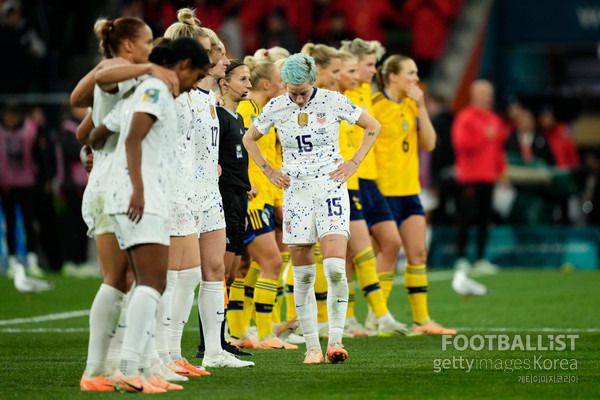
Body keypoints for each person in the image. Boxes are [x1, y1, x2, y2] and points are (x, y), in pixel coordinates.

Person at [243, 53, 382, 364]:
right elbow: (249, 138)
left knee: (334, 268)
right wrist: (269, 170)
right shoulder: (277, 105)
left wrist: (353, 162)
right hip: (296, 193)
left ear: (314, 80)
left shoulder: (333, 101)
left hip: (330, 186)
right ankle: (312, 348)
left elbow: (373, 126)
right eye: (292, 92)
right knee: (303, 276)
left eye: (303, 92)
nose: (298, 98)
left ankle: (334, 341)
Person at [90, 37, 211, 393]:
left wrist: (93, 155)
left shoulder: (145, 90)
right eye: (198, 75)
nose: (195, 84)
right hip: (143, 196)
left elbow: (96, 134)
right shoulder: (156, 89)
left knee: (142, 281)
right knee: (152, 280)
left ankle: (133, 367)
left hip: (131, 192)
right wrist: (139, 188)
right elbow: (132, 138)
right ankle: (130, 368)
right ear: (185, 65)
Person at [71, 16, 181, 392]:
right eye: (147, 41)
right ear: (129, 45)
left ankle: (122, 368)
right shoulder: (123, 69)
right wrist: (150, 67)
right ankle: (107, 370)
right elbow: (96, 82)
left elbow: (83, 127)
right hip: (114, 185)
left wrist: (93, 149)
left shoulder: (131, 77)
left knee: (130, 280)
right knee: (125, 280)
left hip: (108, 178)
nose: (151, 48)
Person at [373, 54, 456, 335]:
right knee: (383, 253)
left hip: (410, 192)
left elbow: (430, 143)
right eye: (410, 73)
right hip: (383, 193)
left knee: (418, 253)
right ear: (393, 76)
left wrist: (421, 106)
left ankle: (422, 321)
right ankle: (377, 319)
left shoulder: (412, 104)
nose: (415, 79)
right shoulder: (374, 107)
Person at [336, 50, 410, 337]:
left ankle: (375, 315)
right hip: (348, 179)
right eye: (365, 65)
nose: (370, 70)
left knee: (390, 242)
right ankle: (352, 316)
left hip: (370, 179)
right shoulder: (333, 97)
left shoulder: (367, 91)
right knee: (351, 255)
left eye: (370, 65)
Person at [230, 55, 298, 349]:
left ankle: (240, 333)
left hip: (266, 198)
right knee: (270, 262)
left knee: (246, 267)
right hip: (252, 200)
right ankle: (265, 332)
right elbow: (239, 154)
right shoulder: (245, 111)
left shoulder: (261, 111)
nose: (284, 86)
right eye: (281, 81)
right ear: (268, 83)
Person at [451, 80, 507, 274]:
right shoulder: (464, 118)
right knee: (466, 218)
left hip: (489, 177)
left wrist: (502, 171)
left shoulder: (495, 119)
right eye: (483, 92)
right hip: (469, 177)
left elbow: (498, 149)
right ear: (473, 95)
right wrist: (484, 136)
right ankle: (461, 258)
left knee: (485, 219)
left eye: (489, 93)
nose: (487, 96)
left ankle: (481, 258)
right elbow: (460, 145)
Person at [0, 102, 44, 278]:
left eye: (14, 114)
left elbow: (39, 157)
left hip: (27, 183)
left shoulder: (30, 131)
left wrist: (43, 179)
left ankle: (32, 261)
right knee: (9, 224)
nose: (11, 118)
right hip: (6, 186)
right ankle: (12, 262)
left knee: (29, 223)